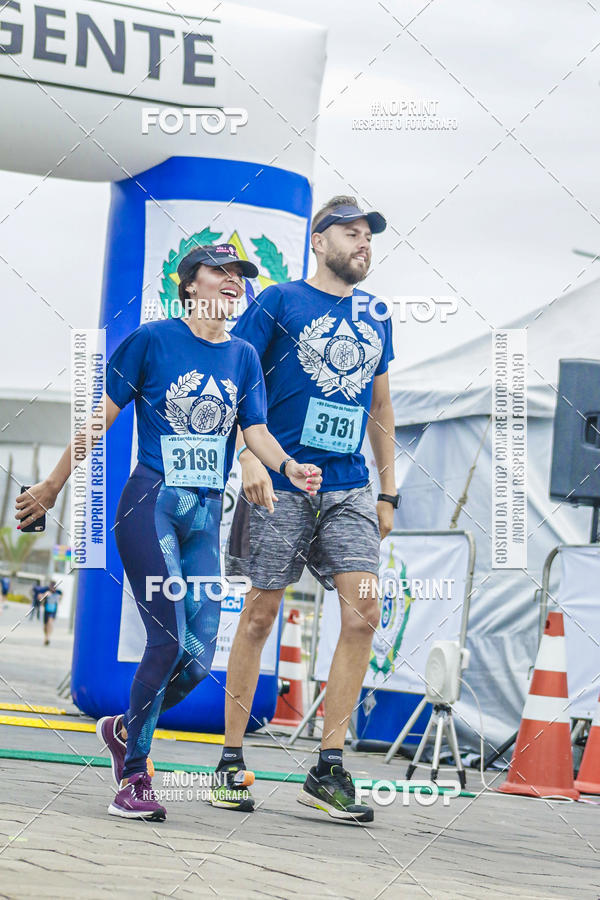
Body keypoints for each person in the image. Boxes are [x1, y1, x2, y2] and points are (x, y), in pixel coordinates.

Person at [15, 244, 322, 822]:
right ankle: (133, 778)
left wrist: (288, 466)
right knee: (167, 640)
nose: (233, 282)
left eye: (240, 275)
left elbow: (255, 431)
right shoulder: (151, 341)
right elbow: (97, 422)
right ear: (189, 285)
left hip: (204, 516)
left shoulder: (243, 357)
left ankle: (123, 729)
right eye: (220, 272)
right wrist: (53, 486)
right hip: (150, 505)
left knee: (199, 656)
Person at [211, 197, 398, 824]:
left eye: (369, 236)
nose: (364, 243)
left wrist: (388, 490)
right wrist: (249, 456)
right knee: (261, 614)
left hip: (349, 487)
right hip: (282, 480)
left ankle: (329, 767)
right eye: (352, 233)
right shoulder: (279, 302)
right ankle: (231, 760)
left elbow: (381, 406)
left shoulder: (376, 315)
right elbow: (235, 379)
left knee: (363, 613)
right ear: (319, 242)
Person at [42, 580, 62, 645]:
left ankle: (48, 638)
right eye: (51, 586)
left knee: (50, 623)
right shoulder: (47, 592)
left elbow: (61, 596)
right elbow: (41, 599)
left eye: (54, 587)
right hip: (46, 610)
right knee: (45, 625)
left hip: (53, 610)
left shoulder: (58, 592)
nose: (52, 588)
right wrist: (43, 596)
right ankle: (46, 636)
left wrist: (60, 600)